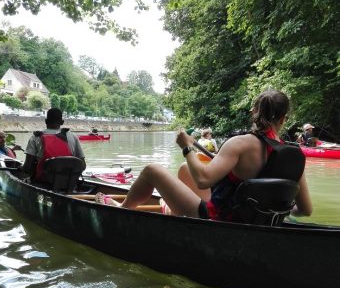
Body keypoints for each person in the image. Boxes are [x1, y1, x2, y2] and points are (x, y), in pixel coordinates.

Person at [96, 89, 312, 221]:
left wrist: (187, 146)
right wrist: (273, 213)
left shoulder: (239, 144)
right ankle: (175, 214)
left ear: (253, 113)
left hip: (219, 219)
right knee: (183, 170)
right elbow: (306, 210)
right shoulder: (295, 156)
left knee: (152, 170)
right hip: (254, 222)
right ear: (284, 119)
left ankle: (122, 210)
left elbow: (202, 180)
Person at [21, 108, 86, 182]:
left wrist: (22, 168)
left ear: (46, 121)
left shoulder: (36, 136)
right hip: (68, 182)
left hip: (43, 182)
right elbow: (83, 166)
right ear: (62, 122)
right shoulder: (73, 136)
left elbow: (27, 168)